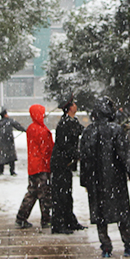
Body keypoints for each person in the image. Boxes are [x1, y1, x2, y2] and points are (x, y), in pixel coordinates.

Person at [79, 97, 130, 258]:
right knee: (123, 213)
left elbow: (84, 158)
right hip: (115, 181)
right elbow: (125, 155)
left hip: (95, 181)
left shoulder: (88, 131)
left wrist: (85, 180)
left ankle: (106, 247)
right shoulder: (116, 130)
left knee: (100, 215)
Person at [51, 94, 86, 234]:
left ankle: (69, 221)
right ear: (70, 108)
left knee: (67, 193)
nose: (76, 105)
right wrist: (78, 155)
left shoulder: (73, 121)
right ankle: (58, 224)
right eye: (74, 104)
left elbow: (85, 132)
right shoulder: (64, 124)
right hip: (60, 164)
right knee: (60, 195)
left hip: (66, 164)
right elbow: (64, 145)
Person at [15, 104, 54, 229]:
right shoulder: (42, 131)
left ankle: (21, 217)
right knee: (45, 194)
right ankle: (46, 219)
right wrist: (50, 164)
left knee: (32, 192)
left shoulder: (31, 128)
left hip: (33, 166)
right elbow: (47, 150)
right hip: (42, 166)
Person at [0, 109, 26, 175]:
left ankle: (0, 171)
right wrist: (25, 130)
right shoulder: (10, 121)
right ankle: (12, 171)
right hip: (9, 142)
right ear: (5, 115)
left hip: (2, 142)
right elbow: (18, 126)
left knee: (2, 157)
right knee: (11, 157)